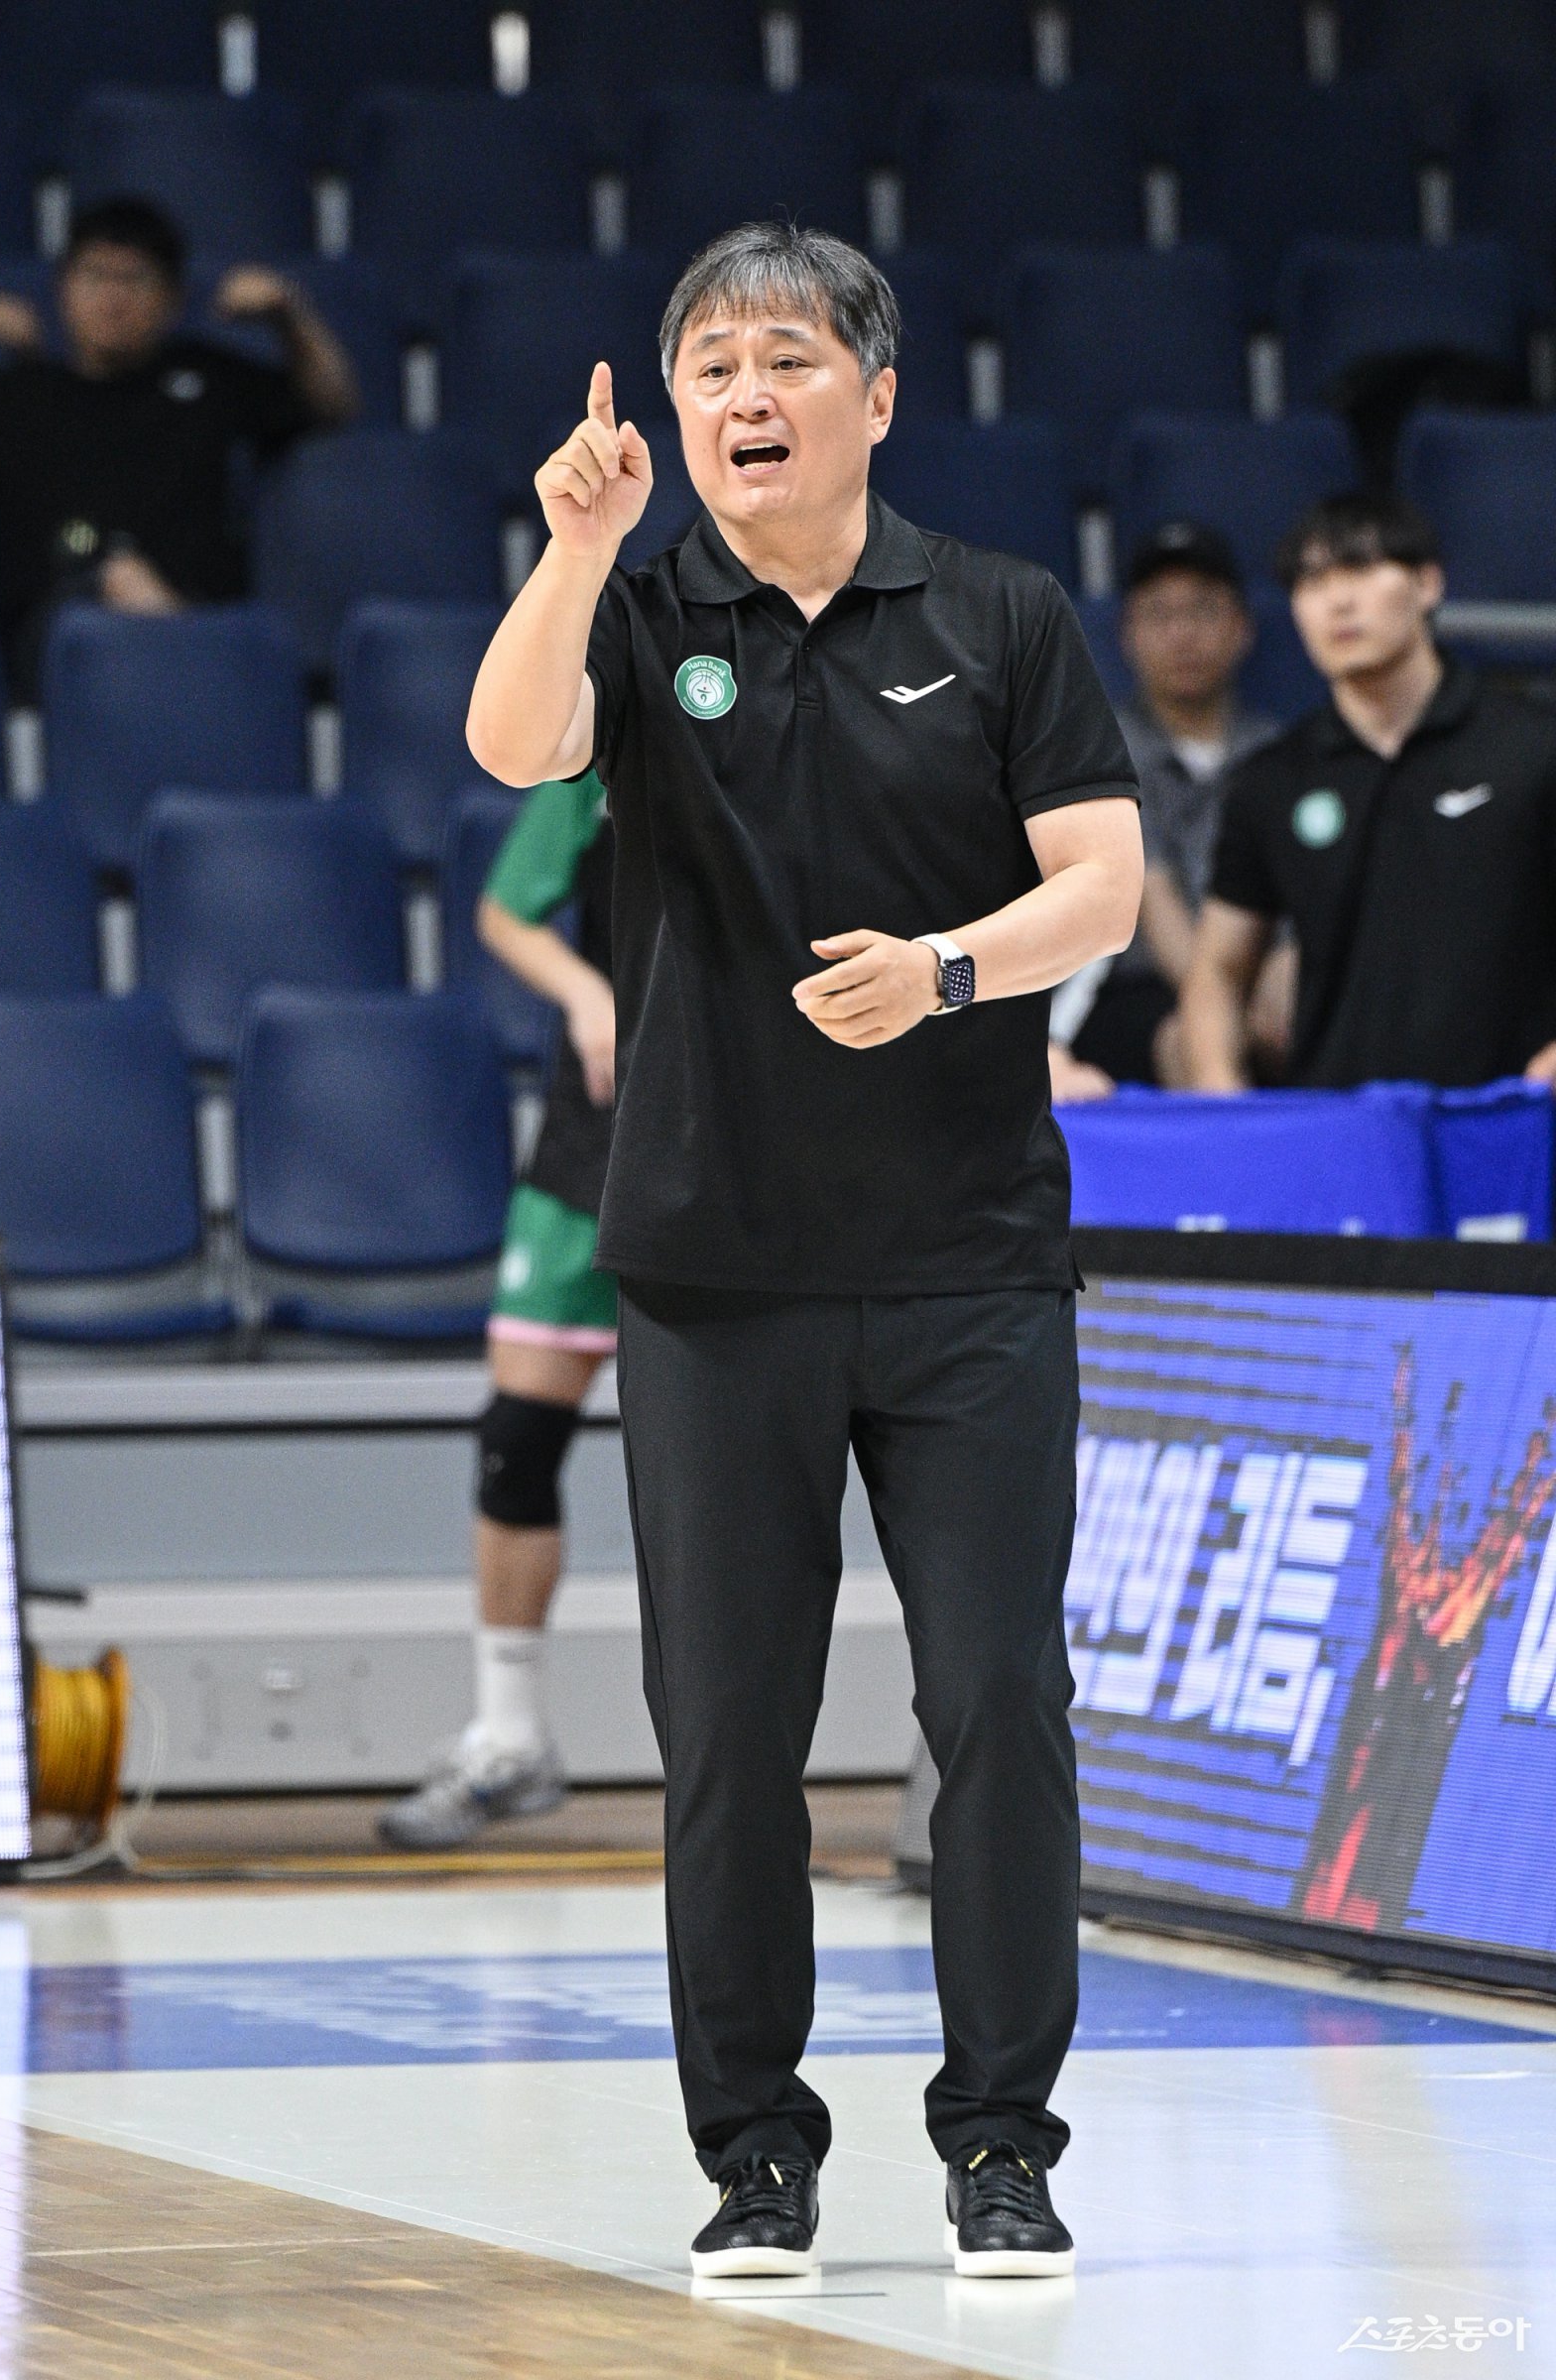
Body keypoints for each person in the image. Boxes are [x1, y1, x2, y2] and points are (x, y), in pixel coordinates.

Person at [465, 222, 1143, 2281]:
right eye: (708, 369)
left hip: (967, 1262)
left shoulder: (1001, 613)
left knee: (999, 1701)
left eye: (782, 357)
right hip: (710, 1265)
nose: (742, 395)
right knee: (727, 1732)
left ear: (876, 392)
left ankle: (1001, 2143)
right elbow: (513, 749)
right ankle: (755, 2153)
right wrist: (576, 551)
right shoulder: (637, 606)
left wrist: (947, 970)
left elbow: (1102, 883)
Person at [380, 771, 616, 1850]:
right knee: (515, 1441)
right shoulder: (601, 742)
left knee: (740, 1460)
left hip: (749, 1137)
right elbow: (506, 912)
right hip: (595, 1130)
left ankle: (745, 1771)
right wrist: (585, 991)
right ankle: (511, 1739)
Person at [1181, 489, 1556, 1093]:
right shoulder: (1271, 780)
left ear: (1427, 583)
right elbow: (1219, 970)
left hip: (1511, 1116)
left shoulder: (1533, 745)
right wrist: (1222, 1103)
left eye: (1359, 568)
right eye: (1311, 582)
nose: (1338, 601)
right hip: (1340, 1124)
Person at [0, 195, 357, 699]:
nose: (112, 298)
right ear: (62, 288)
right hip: (54, 642)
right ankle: (215, 677)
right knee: (118, 575)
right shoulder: (7, 396)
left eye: (134, 279)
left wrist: (289, 316)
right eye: (94, 276)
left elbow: (333, 406)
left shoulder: (207, 375)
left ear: (173, 300)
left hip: (201, 611)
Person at [1049, 522, 1281, 1096]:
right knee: (1191, 1040)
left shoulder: (1278, 754)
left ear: (1242, 628)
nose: (1182, 634)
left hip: (1260, 974)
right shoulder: (1097, 746)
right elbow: (1153, 898)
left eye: (1202, 611)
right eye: (1158, 615)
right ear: (1127, 634)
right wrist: (1224, 1007)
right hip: (1131, 988)